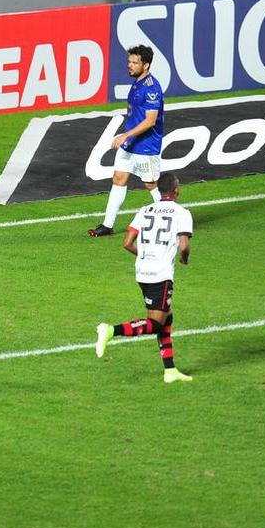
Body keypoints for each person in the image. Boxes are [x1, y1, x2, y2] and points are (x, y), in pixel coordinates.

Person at [95, 172, 193, 383]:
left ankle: (170, 370)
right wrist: (184, 259)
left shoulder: (145, 210)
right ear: (176, 190)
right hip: (161, 274)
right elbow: (184, 245)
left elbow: (127, 242)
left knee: (167, 316)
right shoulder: (182, 213)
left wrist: (148, 255)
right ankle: (111, 330)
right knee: (156, 323)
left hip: (142, 270)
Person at [88, 44, 165, 237]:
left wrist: (125, 135)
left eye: (134, 62)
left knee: (151, 184)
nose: (129, 65)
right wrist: (126, 136)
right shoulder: (137, 82)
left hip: (146, 144)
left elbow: (150, 120)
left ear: (146, 65)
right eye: (129, 61)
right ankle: (107, 225)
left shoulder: (151, 88)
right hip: (130, 142)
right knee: (119, 178)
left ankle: (170, 218)